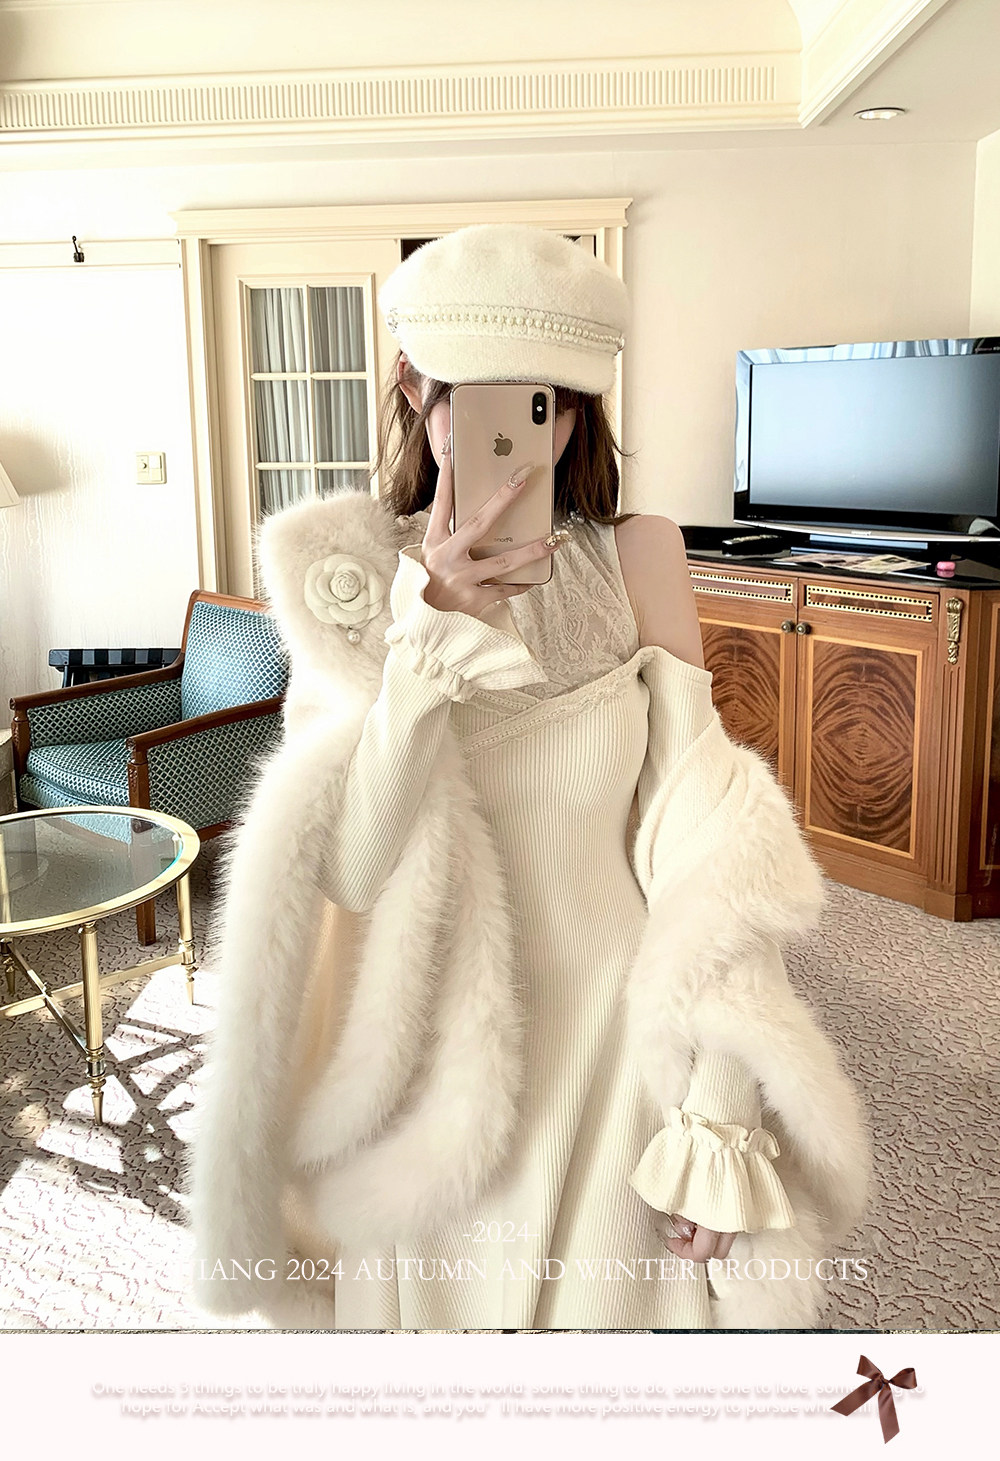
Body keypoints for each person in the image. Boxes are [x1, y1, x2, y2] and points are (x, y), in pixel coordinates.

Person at [187, 223, 869, 1332]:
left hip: (618, 1043)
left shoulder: (641, 555)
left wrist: (720, 1100)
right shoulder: (349, 580)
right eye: (476, 401)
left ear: (579, 410)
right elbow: (352, 868)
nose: (516, 439)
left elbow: (708, 839)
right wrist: (426, 644)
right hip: (436, 1064)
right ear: (413, 389)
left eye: (541, 405)